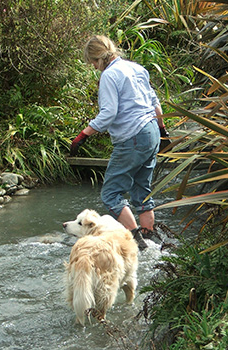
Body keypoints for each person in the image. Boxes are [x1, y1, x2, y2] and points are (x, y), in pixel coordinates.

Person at [70, 35, 168, 250]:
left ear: (98, 58)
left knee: (110, 193)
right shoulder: (137, 68)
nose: (95, 68)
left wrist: (83, 134)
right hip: (151, 130)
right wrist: (162, 130)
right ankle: (151, 240)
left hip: (132, 136)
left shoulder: (109, 75)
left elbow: (108, 114)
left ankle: (136, 241)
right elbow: (154, 102)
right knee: (142, 190)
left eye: (93, 63)